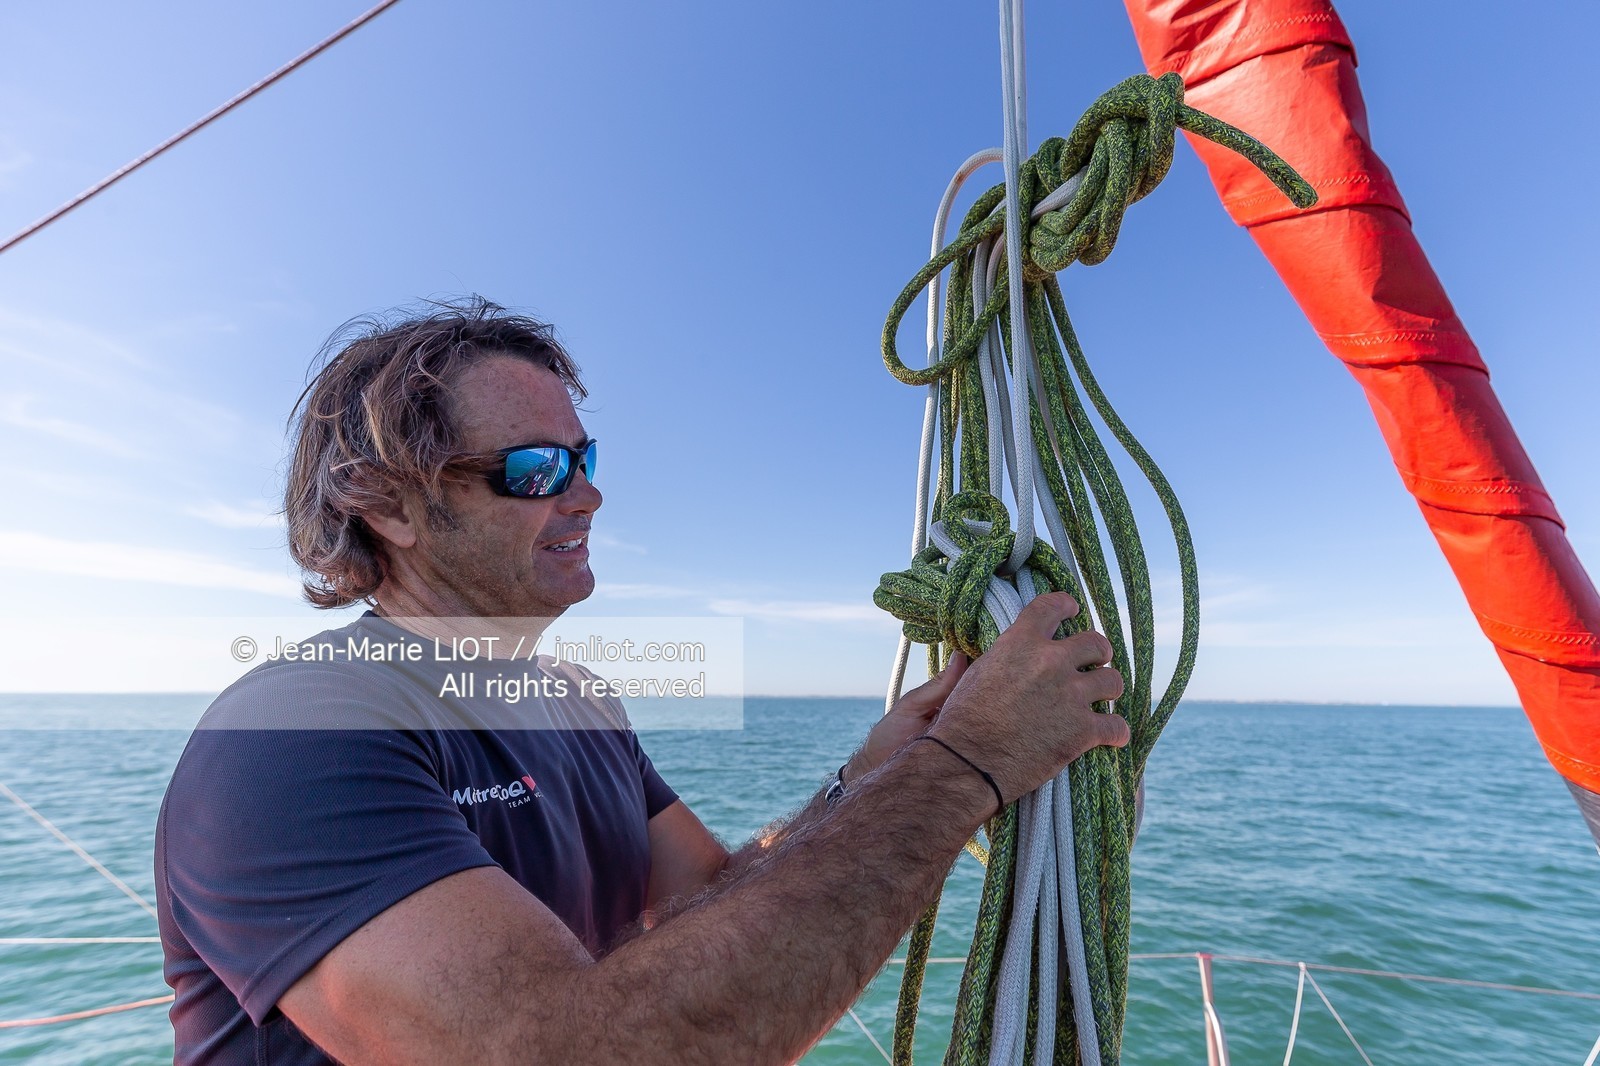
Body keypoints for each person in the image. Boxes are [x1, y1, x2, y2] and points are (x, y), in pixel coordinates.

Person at [155, 298, 1129, 1065]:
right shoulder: (291, 733)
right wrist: (964, 767)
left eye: (584, 457)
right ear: (388, 506)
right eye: (535, 469)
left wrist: (871, 776)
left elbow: (709, 897)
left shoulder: (578, 701)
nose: (588, 493)